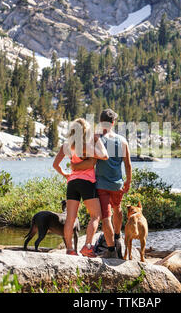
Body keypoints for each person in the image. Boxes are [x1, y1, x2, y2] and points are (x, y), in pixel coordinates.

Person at [71, 109, 132, 258]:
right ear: (113, 122)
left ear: (100, 121)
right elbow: (128, 164)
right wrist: (128, 181)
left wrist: (75, 167)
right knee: (118, 209)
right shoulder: (122, 141)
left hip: (101, 185)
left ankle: (111, 250)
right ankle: (117, 237)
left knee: (106, 217)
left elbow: (89, 161)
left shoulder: (96, 139)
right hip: (117, 184)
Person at [52, 118, 108, 257]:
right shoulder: (88, 145)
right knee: (96, 216)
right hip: (87, 182)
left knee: (70, 218)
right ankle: (88, 246)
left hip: (72, 182)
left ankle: (70, 249)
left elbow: (55, 165)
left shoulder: (66, 145)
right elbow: (104, 156)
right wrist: (96, 140)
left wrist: (65, 174)